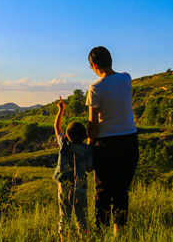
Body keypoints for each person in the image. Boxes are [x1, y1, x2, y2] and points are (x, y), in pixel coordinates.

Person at [85, 46, 139, 236]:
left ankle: (101, 232)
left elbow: (92, 124)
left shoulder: (95, 88)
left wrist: (89, 148)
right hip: (130, 140)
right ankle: (119, 232)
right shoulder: (126, 78)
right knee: (121, 190)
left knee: (102, 191)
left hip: (106, 144)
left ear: (95, 65)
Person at [53, 96, 93, 241]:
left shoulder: (64, 144)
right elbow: (89, 169)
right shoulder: (88, 150)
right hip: (81, 186)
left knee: (64, 215)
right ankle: (84, 238)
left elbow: (57, 128)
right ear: (84, 136)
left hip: (65, 185)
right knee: (82, 218)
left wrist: (61, 110)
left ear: (67, 135)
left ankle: (64, 239)